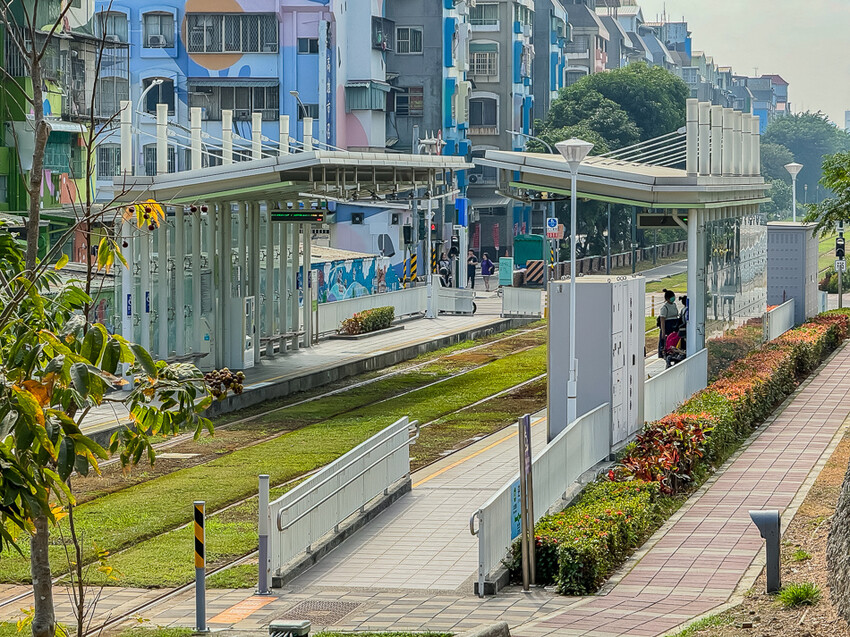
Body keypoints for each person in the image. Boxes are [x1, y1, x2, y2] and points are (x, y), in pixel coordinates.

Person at [658, 289, 679, 359]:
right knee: (667, 341)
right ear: (667, 299)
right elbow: (662, 320)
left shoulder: (674, 305)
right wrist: (663, 332)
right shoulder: (664, 308)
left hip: (675, 325)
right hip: (668, 326)